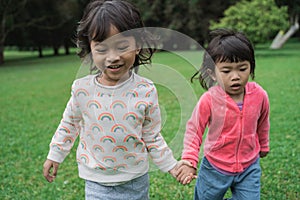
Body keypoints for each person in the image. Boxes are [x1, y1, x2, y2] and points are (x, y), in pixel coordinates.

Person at [43, 0, 191, 199]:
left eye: (121, 46)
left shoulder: (145, 90)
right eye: (102, 49)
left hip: (136, 182)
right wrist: (55, 154)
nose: (112, 57)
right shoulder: (82, 89)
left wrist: (172, 166)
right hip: (96, 183)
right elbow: (69, 124)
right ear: (90, 49)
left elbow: (152, 136)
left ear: (137, 45)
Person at [176, 29, 270, 200]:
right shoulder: (209, 100)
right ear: (212, 73)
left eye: (242, 69)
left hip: (249, 166)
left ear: (251, 67)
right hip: (215, 167)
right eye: (226, 71)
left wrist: (263, 145)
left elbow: (263, 122)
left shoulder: (260, 95)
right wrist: (189, 159)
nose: (235, 77)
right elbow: (194, 130)